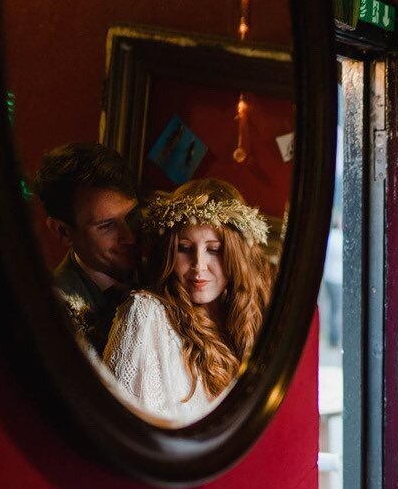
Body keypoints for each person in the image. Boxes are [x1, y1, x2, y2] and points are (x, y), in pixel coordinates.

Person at [103, 178, 272, 425]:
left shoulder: (248, 316)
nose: (198, 267)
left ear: (235, 256)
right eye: (184, 248)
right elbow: (120, 427)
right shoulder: (145, 314)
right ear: (170, 251)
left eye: (213, 250)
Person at [33, 142, 139, 354]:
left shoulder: (165, 270)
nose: (130, 237)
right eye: (107, 226)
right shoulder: (53, 314)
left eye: (132, 216)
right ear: (63, 231)